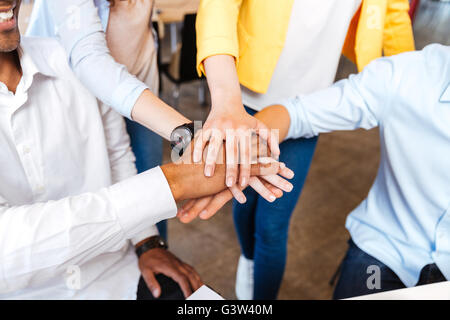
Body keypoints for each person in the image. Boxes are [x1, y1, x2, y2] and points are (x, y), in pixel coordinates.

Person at [0, 0, 293, 299]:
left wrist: (148, 244)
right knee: (153, 194)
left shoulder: (60, 60)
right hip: (100, 76)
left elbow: (117, 153)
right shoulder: (72, 58)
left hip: (134, 84)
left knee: (153, 209)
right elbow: (90, 60)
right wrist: (188, 157)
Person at [188, 43, 450, 299]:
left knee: (271, 226)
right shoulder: (410, 73)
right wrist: (236, 152)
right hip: (384, 252)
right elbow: (299, 112)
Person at [25, 0, 280, 209]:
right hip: (74, 93)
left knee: (155, 189)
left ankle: (154, 250)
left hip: (139, 79)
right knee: (95, 195)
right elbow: (89, 60)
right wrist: (189, 134)